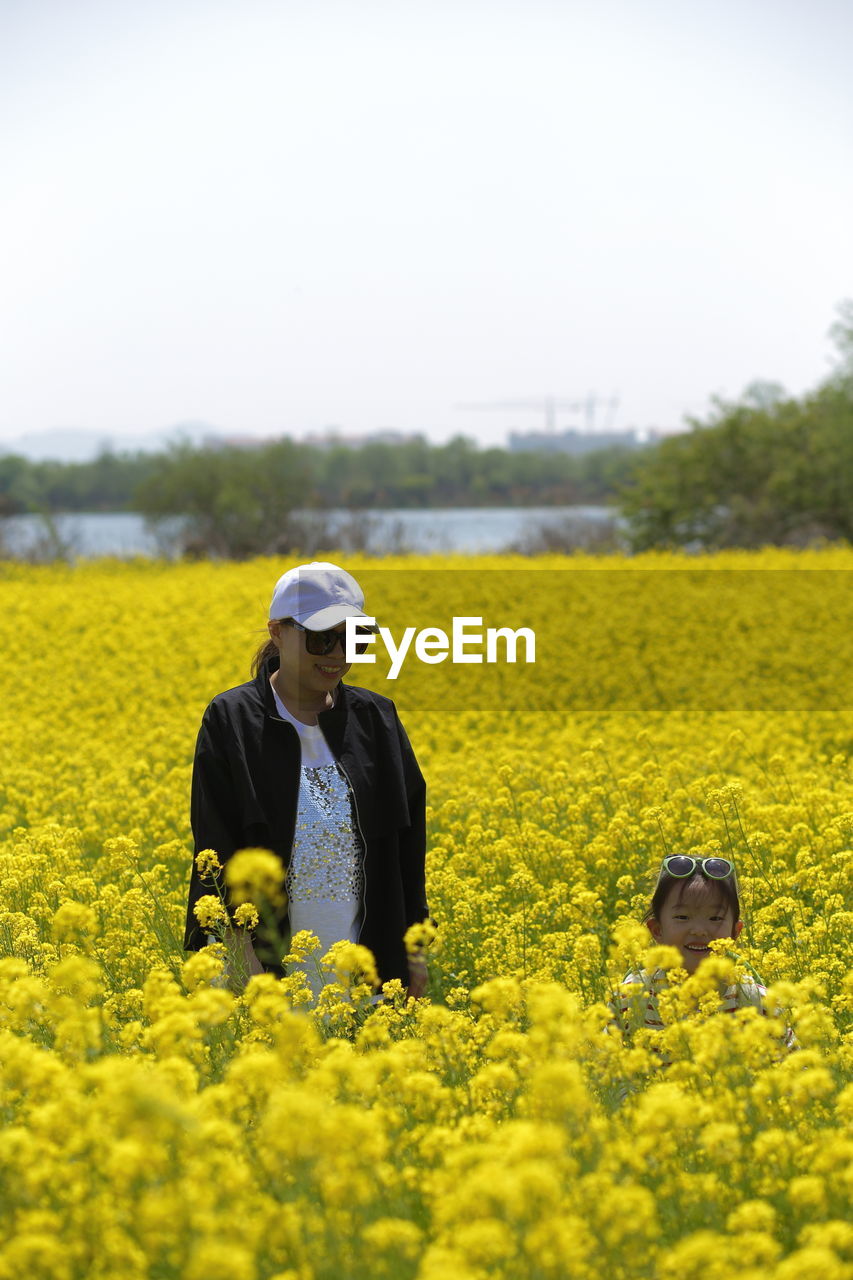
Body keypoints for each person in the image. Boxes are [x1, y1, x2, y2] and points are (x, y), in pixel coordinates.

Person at [183, 561, 429, 997]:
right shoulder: (233, 721)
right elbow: (216, 852)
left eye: (354, 638)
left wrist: (415, 957)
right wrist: (245, 967)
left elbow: (408, 852)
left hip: (372, 980)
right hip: (271, 983)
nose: (338, 654)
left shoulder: (378, 719)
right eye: (321, 638)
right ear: (277, 632)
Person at [611, 854, 794, 1044]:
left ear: (735, 932)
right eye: (682, 917)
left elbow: (796, 1068)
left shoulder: (759, 1003)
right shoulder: (629, 999)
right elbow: (602, 1067)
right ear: (657, 930)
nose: (699, 931)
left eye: (715, 918)